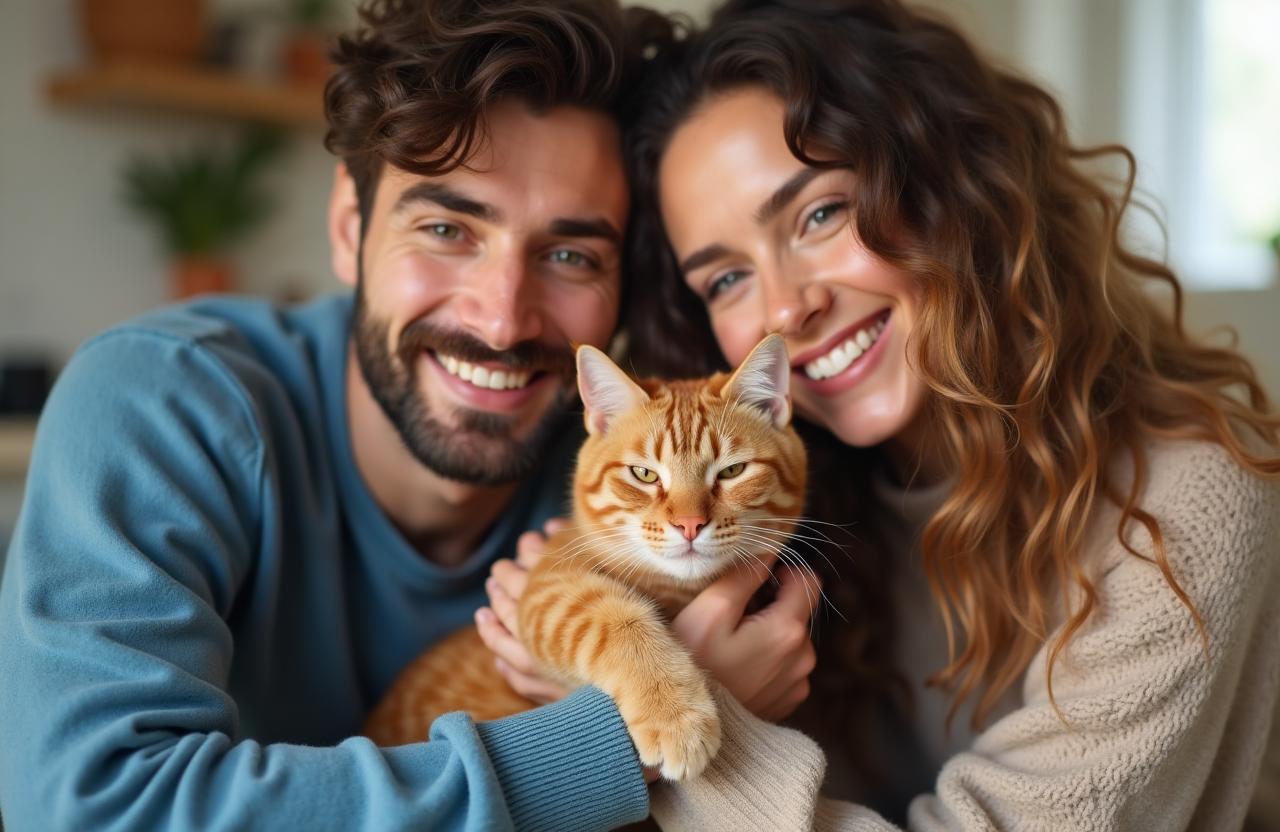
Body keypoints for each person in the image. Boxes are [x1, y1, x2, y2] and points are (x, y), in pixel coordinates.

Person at [481, 0, 1280, 829]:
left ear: (951, 184)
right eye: (726, 278)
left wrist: (631, 738)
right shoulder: (798, 496)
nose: (786, 309)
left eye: (821, 214)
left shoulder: (1190, 501)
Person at [0, 2, 749, 829]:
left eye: (571, 255)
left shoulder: (639, 459)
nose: (502, 320)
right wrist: (603, 750)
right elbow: (89, 809)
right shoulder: (161, 399)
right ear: (349, 227)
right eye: (445, 228)